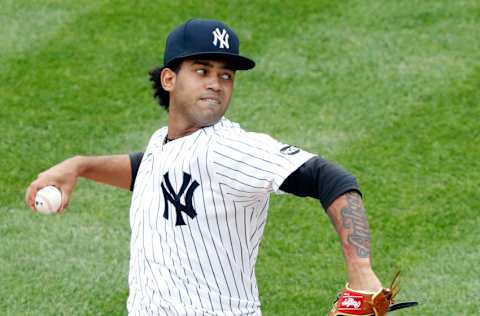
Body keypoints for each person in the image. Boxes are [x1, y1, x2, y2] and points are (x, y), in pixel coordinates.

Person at [26, 19, 382, 315]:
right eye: (202, 71)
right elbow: (148, 170)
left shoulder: (229, 147)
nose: (216, 83)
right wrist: (81, 166)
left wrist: (361, 272)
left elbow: (331, 178)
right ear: (169, 79)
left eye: (226, 75)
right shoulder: (163, 143)